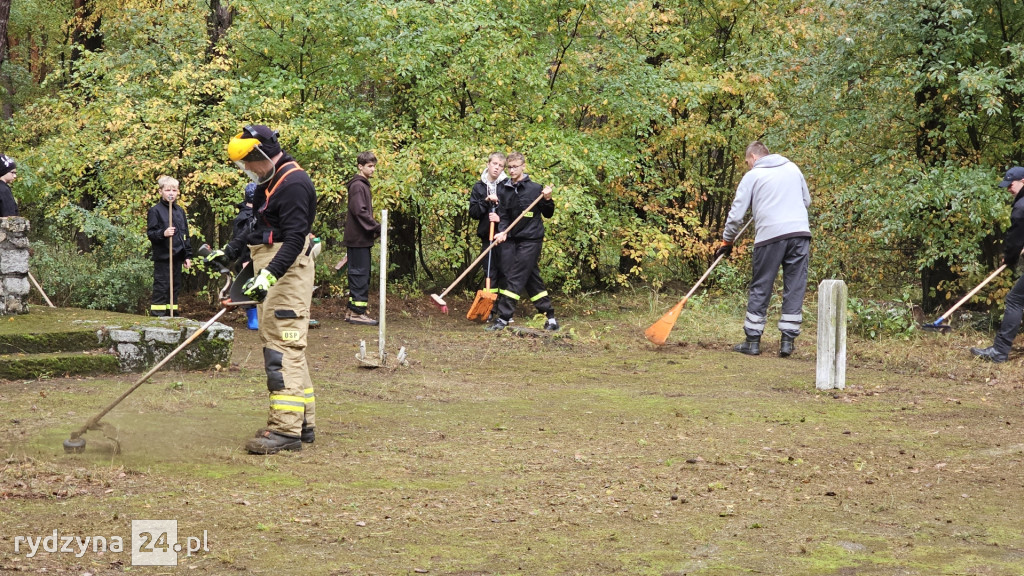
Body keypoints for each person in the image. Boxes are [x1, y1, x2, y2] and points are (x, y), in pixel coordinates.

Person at [217, 124, 318, 454]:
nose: (246, 168)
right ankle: (302, 423)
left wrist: (269, 276)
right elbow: (256, 229)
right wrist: (230, 254)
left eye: (248, 161)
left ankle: (286, 430)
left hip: (287, 271)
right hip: (271, 265)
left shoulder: (294, 184)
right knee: (287, 344)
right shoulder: (267, 182)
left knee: (284, 345)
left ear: (263, 154)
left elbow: (293, 239)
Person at [714, 141, 811, 357]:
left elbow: (736, 215)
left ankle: (753, 341)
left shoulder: (753, 176)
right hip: (800, 234)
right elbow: (806, 201)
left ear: (754, 158)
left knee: (761, 285)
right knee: (795, 286)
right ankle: (787, 343)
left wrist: (727, 241)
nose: (748, 166)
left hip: (771, 236)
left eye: (748, 162)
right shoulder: (793, 168)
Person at [488, 151, 559, 331]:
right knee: (531, 278)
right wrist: (502, 231)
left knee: (515, 275)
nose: (512, 170)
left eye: (515, 167)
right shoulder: (504, 188)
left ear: (523, 167)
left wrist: (548, 199)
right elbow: (503, 214)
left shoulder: (535, 189)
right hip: (512, 239)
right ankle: (550, 317)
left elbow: (548, 213)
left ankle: (504, 317)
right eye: (509, 167)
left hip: (531, 239)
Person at [970, 166, 1024, 363]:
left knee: (1015, 300)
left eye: (1011, 184)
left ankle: (999, 352)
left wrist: (1009, 259)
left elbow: (1015, 241)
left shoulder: (1020, 208)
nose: (1009, 188)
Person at [146, 176, 193, 317]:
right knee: (162, 285)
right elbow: (151, 234)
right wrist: (163, 233)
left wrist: (187, 255)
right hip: (163, 256)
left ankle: (171, 312)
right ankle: (158, 313)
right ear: (161, 192)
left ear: (178, 192)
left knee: (175, 286)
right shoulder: (155, 211)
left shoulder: (180, 211)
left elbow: (185, 235)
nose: (171, 193)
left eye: (174, 190)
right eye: (167, 190)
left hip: (177, 255)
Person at [343, 151, 381, 326]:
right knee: (360, 275)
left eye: (374, 166)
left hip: (359, 239)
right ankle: (358, 313)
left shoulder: (361, 185)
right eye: (369, 166)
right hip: (358, 238)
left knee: (358, 274)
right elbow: (360, 211)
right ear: (360, 166)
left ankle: (352, 311)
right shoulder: (358, 186)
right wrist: (376, 227)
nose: (373, 169)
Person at [467, 152, 507, 312]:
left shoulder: (507, 185)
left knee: (505, 272)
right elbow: (474, 212)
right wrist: (485, 202)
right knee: (490, 272)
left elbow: (512, 210)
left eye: (500, 165)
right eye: (494, 164)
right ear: (488, 164)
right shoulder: (478, 187)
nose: (497, 168)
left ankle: (504, 310)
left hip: (504, 236)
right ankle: (489, 309)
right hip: (487, 236)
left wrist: (499, 213)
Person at [234, 183, 258, 330]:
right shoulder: (243, 218)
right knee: (249, 286)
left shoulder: (259, 213)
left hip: (259, 255)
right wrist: (245, 260)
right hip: (247, 257)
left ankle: (259, 317)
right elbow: (240, 241)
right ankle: (253, 318)